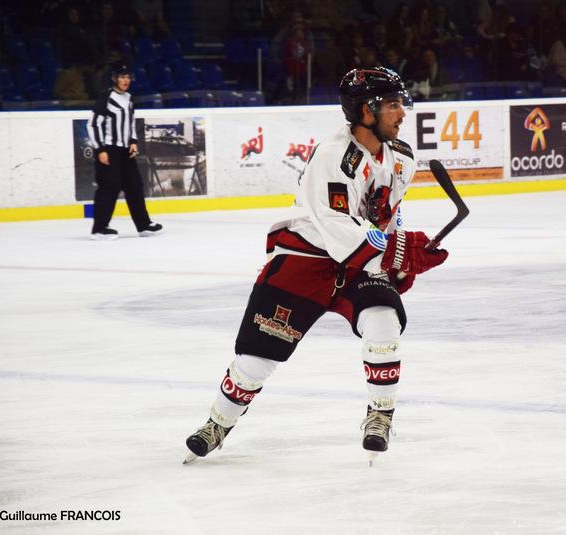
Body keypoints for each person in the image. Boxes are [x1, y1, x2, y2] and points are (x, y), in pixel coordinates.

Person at [184, 67, 449, 464]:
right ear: (366, 111)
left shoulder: (402, 159)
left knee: (383, 320)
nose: (402, 113)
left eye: (400, 104)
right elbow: (338, 229)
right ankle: (218, 423)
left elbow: (387, 216)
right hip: (306, 259)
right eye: (393, 105)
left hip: (359, 264)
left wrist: (399, 261)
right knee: (257, 358)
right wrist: (399, 252)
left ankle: (380, 414)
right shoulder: (333, 157)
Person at [87, 63, 163, 240]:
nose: (125, 80)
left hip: (125, 151)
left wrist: (133, 141)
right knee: (109, 187)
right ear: (115, 79)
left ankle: (143, 225)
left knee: (135, 186)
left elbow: (130, 123)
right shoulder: (106, 97)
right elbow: (93, 124)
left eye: (128, 77)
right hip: (109, 149)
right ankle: (99, 228)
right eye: (122, 77)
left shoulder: (129, 98)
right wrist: (100, 149)